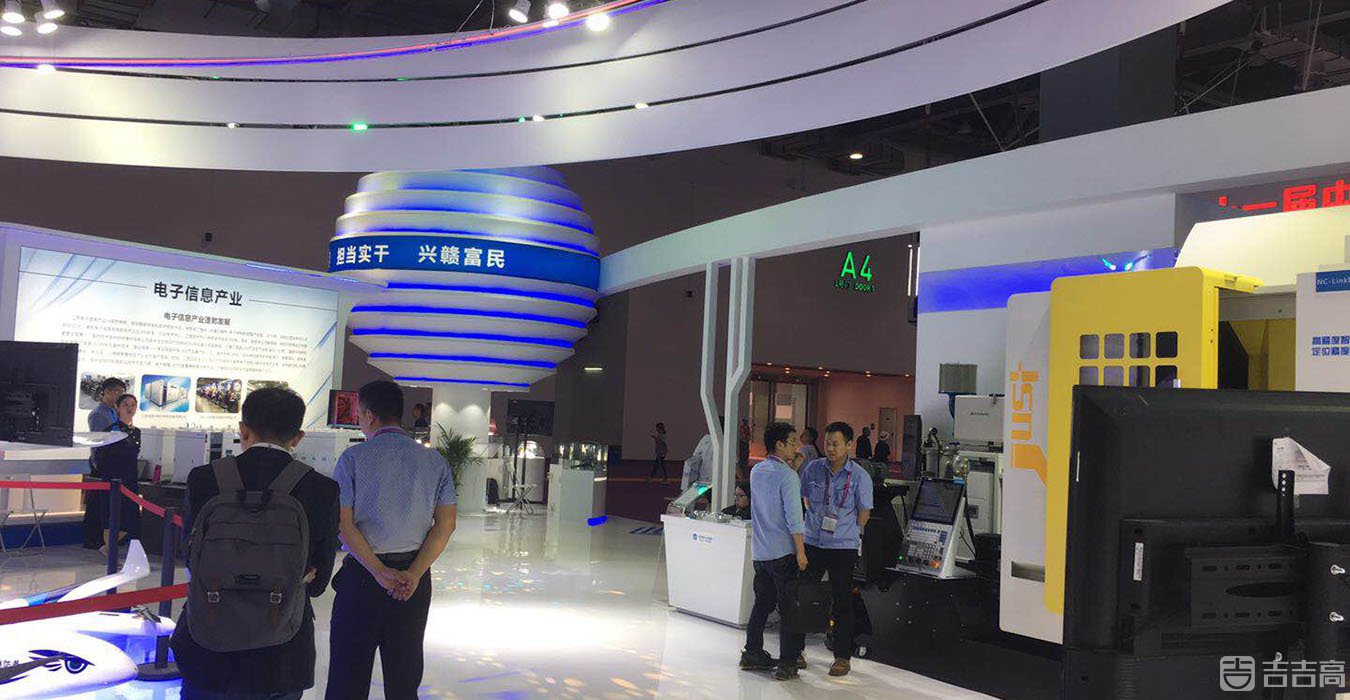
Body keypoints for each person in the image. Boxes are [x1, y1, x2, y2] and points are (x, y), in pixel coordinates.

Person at [172, 387, 340, 700]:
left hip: (209, 641)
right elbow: (318, 585)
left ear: (243, 430)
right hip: (282, 651)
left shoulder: (203, 479)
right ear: (298, 437)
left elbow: (192, 558)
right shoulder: (322, 489)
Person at [328, 380, 458, 700]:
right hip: (412, 584)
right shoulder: (435, 461)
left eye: (360, 415)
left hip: (362, 577)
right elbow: (446, 524)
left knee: (347, 679)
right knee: (404, 679)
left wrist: (378, 571)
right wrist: (414, 573)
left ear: (369, 415)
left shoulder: (352, 458)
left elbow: (342, 523)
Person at [800, 421, 874, 677]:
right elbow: (806, 500)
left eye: (836, 444)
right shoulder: (813, 469)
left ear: (849, 445)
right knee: (803, 595)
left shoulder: (860, 477)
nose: (830, 448)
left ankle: (842, 656)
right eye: (827, 443)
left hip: (842, 546)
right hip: (813, 542)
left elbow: (864, 514)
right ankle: (796, 651)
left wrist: (845, 529)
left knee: (842, 600)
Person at [740, 422, 808, 681]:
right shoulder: (788, 477)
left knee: (762, 604)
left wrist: (792, 468)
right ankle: (788, 662)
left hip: (761, 552)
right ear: (779, 445)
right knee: (789, 608)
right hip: (784, 553)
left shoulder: (757, 471)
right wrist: (801, 552)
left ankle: (752, 652)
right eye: (791, 442)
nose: (796, 447)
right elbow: (794, 518)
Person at [90, 394, 143, 553]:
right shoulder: (112, 430)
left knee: (130, 518)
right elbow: (101, 454)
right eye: (126, 405)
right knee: (112, 515)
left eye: (132, 405)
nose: (130, 408)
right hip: (113, 479)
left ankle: (108, 548)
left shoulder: (136, 432)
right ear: (117, 408)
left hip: (130, 479)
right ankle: (109, 551)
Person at [84, 377, 128, 549]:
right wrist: (98, 464)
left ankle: (105, 538)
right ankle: (93, 539)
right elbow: (98, 442)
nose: (118, 395)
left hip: (113, 462)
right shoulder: (98, 414)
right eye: (116, 392)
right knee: (97, 505)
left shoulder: (113, 412)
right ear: (107, 392)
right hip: (102, 464)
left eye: (121, 392)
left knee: (106, 504)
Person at [681, 417, 722, 491]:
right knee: (716, 495)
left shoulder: (705, 438)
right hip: (718, 478)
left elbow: (695, 456)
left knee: (701, 494)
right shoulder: (725, 440)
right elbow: (734, 461)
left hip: (702, 476)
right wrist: (741, 478)